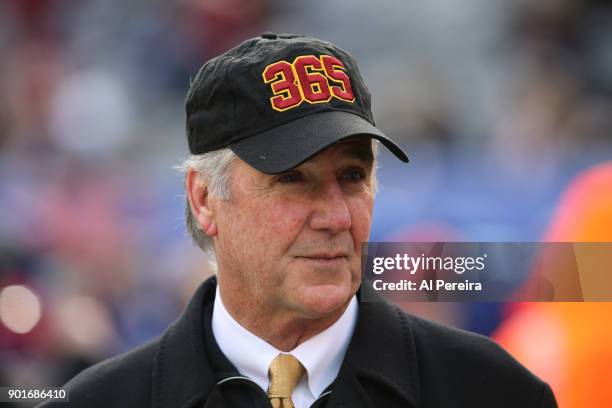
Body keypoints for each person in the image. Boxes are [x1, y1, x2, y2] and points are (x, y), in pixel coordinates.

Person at [39, 33, 557, 407]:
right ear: (203, 199)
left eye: (353, 176)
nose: (335, 215)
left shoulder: (494, 391)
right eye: (291, 179)